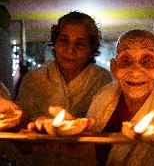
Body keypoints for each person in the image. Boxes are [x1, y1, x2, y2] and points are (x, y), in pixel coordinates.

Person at [15, 11, 112, 166]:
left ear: (91, 48)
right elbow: (22, 136)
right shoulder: (34, 79)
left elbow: (105, 138)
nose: (70, 50)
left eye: (80, 44)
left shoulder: (103, 80)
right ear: (54, 43)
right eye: (64, 41)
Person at [87, 29, 154, 166]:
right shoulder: (102, 98)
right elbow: (88, 152)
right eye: (126, 61)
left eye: (146, 61)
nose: (135, 71)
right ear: (114, 67)